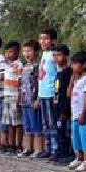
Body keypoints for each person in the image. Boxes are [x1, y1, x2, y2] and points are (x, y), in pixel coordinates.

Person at [68, 51, 86, 172]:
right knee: (76, 137)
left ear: (84, 65)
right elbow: (68, 94)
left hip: (84, 114)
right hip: (75, 114)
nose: (73, 67)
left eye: (75, 64)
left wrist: (84, 113)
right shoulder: (76, 79)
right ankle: (79, 157)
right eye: (72, 64)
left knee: (85, 137)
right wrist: (71, 80)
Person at [18, 39, 44, 158]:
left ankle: (39, 149)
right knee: (27, 126)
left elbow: (39, 84)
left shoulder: (38, 67)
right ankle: (29, 148)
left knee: (36, 125)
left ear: (36, 52)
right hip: (24, 100)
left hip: (33, 100)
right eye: (24, 51)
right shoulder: (24, 67)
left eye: (29, 51)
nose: (27, 53)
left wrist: (37, 99)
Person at [36, 28, 59, 159]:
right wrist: (39, 96)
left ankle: (56, 149)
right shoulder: (43, 55)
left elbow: (57, 74)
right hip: (43, 93)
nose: (43, 41)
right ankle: (48, 148)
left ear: (53, 40)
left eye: (46, 38)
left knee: (52, 123)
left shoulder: (54, 55)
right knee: (45, 123)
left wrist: (56, 93)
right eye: (41, 38)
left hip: (51, 93)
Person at [52, 44, 74, 163]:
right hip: (56, 106)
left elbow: (68, 93)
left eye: (59, 55)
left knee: (66, 132)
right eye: (54, 55)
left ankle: (68, 154)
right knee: (59, 131)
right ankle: (60, 151)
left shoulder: (68, 72)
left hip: (64, 108)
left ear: (66, 56)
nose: (56, 58)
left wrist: (65, 110)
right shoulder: (58, 72)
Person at [1, 41, 24, 154]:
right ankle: (11, 143)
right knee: (9, 122)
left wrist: (20, 96)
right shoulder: (7, 65)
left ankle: (19, 144)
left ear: (17, 53)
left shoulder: (18, 65)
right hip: (7, 95)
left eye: (11, 52)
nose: (8, 54)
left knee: (17, 122)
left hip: (15, 96)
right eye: (7, 52)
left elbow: (20, 81)